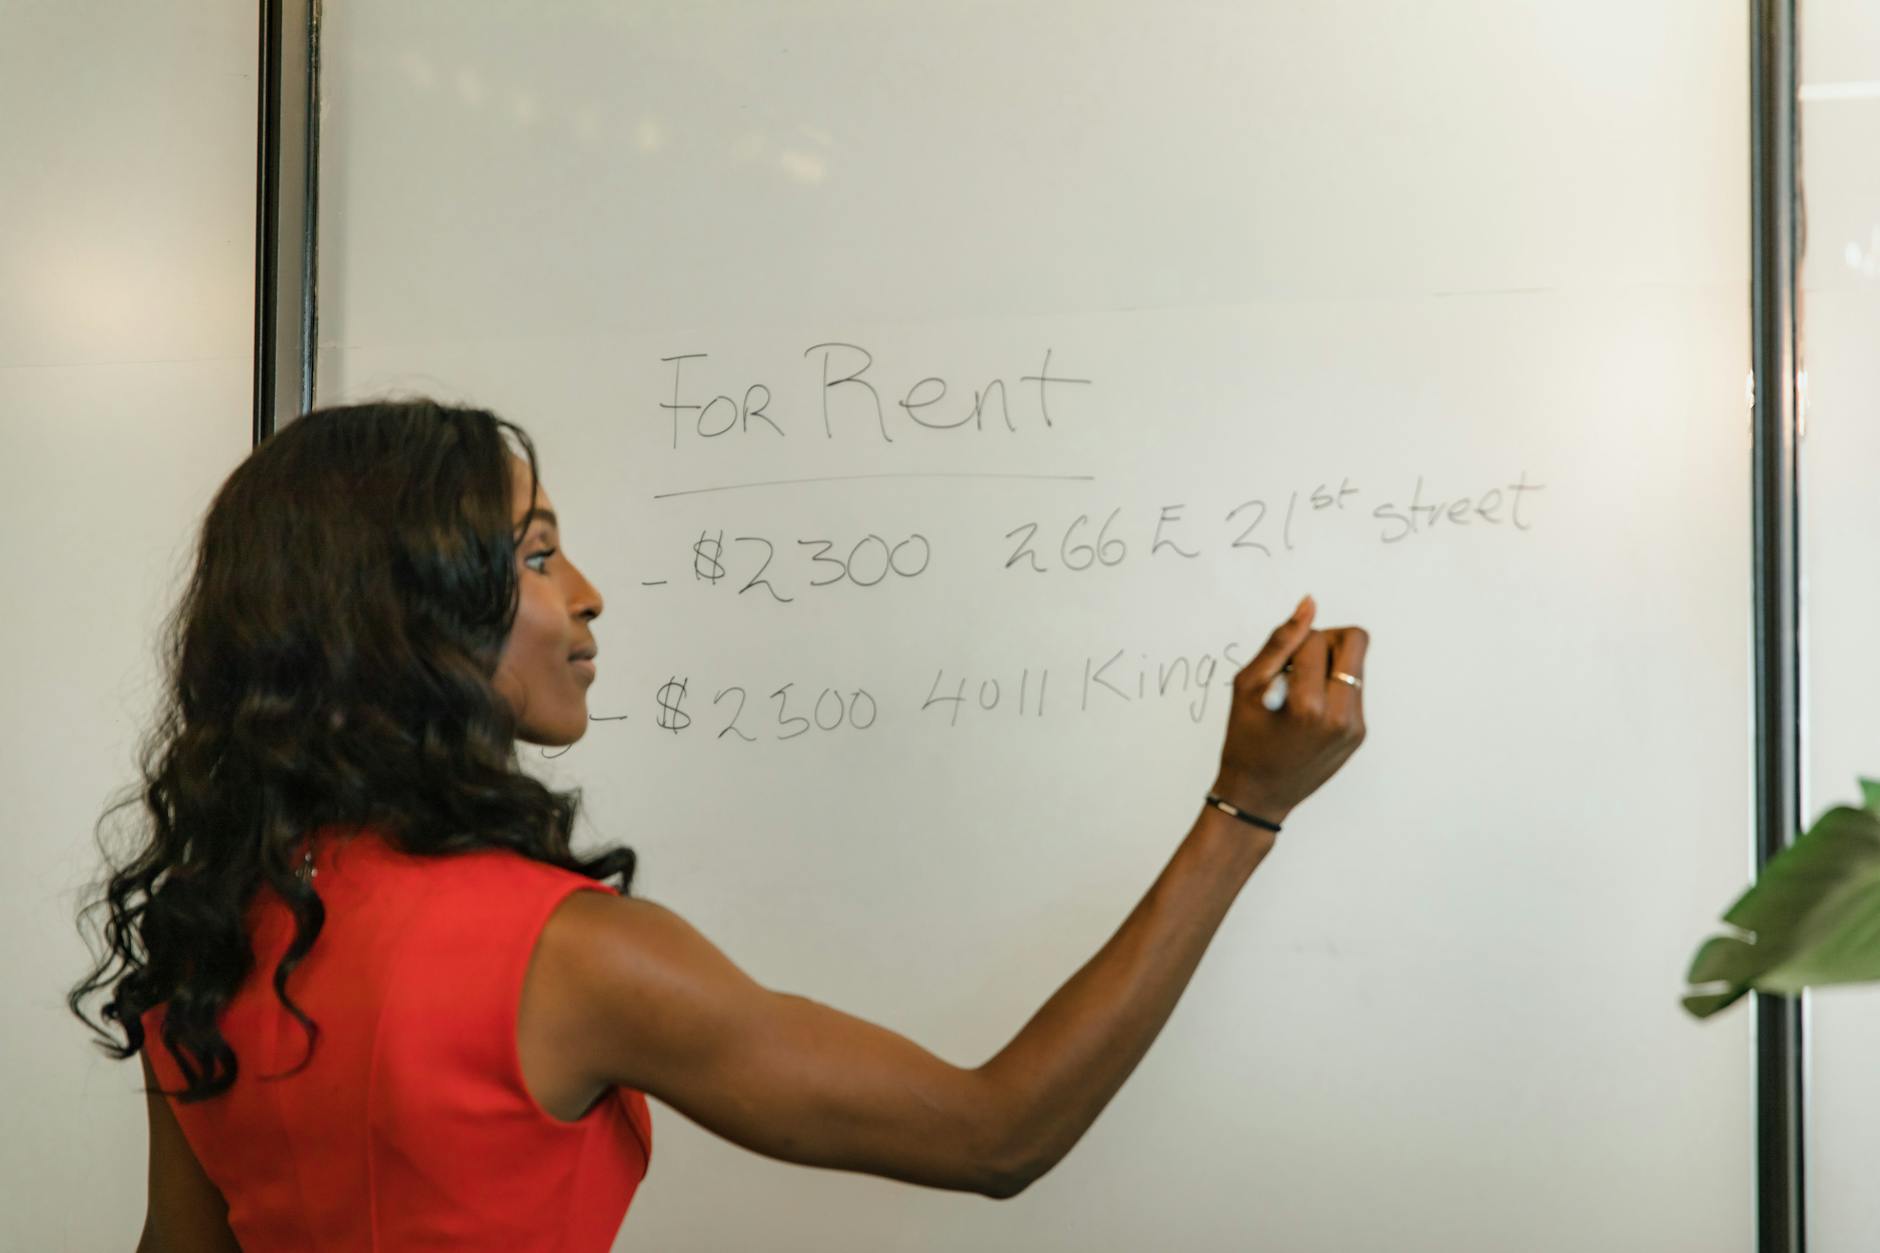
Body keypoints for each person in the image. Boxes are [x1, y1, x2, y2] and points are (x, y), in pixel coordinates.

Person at [69, 399, 1368, 1251]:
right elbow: (996, 1133)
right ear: (412, 611)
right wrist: (1245, 807)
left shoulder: (212, 932)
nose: (585, 595)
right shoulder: (567, 956)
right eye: (533, 554)